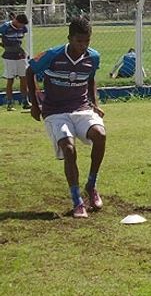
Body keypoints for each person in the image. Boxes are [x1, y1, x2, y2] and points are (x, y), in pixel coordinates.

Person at [26, 17, 106, 218]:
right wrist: (34, 104)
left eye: (87, 41)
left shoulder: (93, 57)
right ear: (70, 38)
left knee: (100, 135)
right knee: (69, 149)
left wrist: (94, 103)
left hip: (81, 108)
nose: (83, 45)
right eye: (79, 41)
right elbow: (29, 71)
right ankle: (76, 199)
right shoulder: (52, 56)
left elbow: (90, 78)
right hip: (55, 111)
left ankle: (91, 184)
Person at [1, 13, 30, 110]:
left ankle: (25, 101)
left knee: (24, 78)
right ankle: (10, 103)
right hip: (9, 57)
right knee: (10, 79)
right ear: (16, 21)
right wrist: (4, 46)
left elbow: (19, 41)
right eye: (21, 24)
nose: (22, 27)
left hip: (20, 56)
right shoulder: (5, 27)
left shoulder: (23, 28)